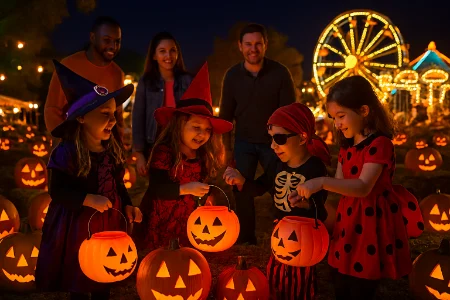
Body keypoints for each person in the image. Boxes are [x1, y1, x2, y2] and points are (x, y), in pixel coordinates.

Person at [290, 76, 416, 300]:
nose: (336, 124)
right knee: (340, 280)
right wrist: (311, 201)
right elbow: (341, 186)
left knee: (361, 285)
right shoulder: (347, 146)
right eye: (333, 118)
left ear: (364, 110)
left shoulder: (380, 144)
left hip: (370, 222)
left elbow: (362, 187)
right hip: (348, 223)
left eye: (341, 116)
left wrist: (319, 182)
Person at [36, 60, 142, 300]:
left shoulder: (111, 149)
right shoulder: (66, 153)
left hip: (108, 222)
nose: (113, 120)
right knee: (81, 272)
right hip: (77, 226)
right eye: (104, 114)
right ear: (82, 118)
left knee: (104, 273)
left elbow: (118, 183)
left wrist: (128, 205)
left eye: (114, 113)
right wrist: (86, 198)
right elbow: (57, 190)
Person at [223, 103, 330, 300]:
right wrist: (242, 181)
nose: (273, 146)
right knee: (275, 273)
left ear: (303, 137)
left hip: (304, 237)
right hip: (279, 230)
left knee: (300, 278)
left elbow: (321, 209)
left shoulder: (315, 169)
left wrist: (308, 205)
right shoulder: (276, 164)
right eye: (271, 139)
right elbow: (260, 187)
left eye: (279, 139)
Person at [132, 63, 233, 250]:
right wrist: (186, 188)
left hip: (185, 219)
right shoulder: (165, 152)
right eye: (196, 127)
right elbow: (158, 188)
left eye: (207, 130)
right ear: (179, 125)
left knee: (182, 252)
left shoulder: (202, 155)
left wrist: (208, 195)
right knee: (162, 254)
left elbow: (201, 183)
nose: (202, 134)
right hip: (160, 218)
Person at [219, 23, 296, 245]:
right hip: (244, 141)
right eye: (248, 44)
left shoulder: (280, 73)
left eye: (258, 44)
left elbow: (288, 112)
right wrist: (226, 147)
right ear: (240, 47)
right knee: (240, 188)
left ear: (265, 45)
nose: (253, 49)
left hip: (274, 143)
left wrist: (285, 144)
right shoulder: (232, 76)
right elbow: (226, 115)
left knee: (280, 185)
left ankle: (287, 231)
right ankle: (246, 237)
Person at [45, 16, 125, 138]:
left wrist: (119, 142)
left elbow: (117, 113)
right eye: (107, 40)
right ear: (93, 38)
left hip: (102, 146)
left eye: (117, 41)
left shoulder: (118, 74)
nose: (113, 46)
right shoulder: (69, 65)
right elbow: (52, 109)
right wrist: (64, 141)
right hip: (71, 142)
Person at [132, 32, 192, 177]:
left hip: (182, 145)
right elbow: (138, 117)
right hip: (154, 145)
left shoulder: (187, 81)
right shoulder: (146, 82)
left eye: (172, 50)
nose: (168, 56)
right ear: (154, 56)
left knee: (184, 189)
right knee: (160, 191)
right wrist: (139, 153)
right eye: (162, 51)